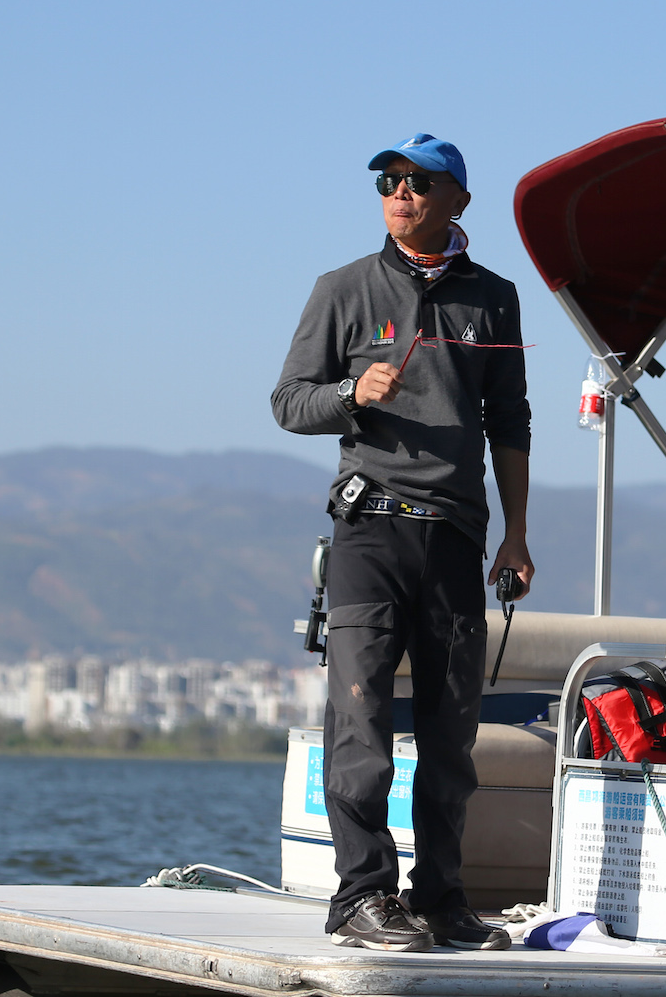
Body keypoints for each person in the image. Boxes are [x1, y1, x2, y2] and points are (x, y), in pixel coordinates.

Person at [272, 133, 532, 952]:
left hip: (456, 536)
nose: (400, 193)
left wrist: (516, 532)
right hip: (368, 532)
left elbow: (510, 423)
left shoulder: (495, 298)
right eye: (388, 180)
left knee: (452, 734)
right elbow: (288, 401)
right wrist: (352, 391)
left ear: (457, 198)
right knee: (361, 727)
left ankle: (443, 900)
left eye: (419, 182)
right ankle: (361, 899)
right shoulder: (342, 288)